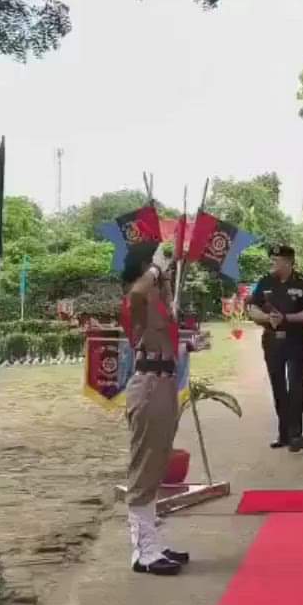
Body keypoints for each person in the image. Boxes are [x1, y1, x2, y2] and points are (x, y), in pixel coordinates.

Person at [120, 242, 189, 576]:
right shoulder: (135, 301)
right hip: (148, 385)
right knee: (144, 467)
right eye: (155, 266)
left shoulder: (158, 305)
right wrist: (157, 269)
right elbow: (137, 292)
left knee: (156, 464)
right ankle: (143, 551)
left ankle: (152, 543)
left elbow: (166, 339)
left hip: (164, 383)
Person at [248, 245, 303, 452]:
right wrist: (267, 318)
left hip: (295, 341)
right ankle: (284, 433)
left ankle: (296, 433)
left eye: (276, 260)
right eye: (272, 260)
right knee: (278, 386)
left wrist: (287, 318)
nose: (273, 264)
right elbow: (253, 308)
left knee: (295, 386)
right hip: (272, 342)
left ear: (288, 262)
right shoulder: (265, 282)